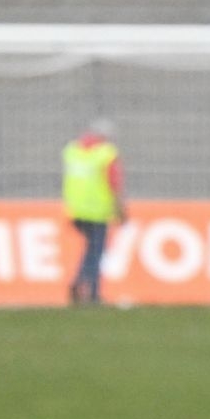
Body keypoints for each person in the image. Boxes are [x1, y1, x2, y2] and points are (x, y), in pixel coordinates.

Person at [62, 120, 126, 306]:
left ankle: (82, 283)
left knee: (91, 249)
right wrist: (120, 208)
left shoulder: (73, 151)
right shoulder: (106, 154)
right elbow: (114, 183)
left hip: (76, 210)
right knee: (97, 251)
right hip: (97, 211)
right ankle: (91, 290)